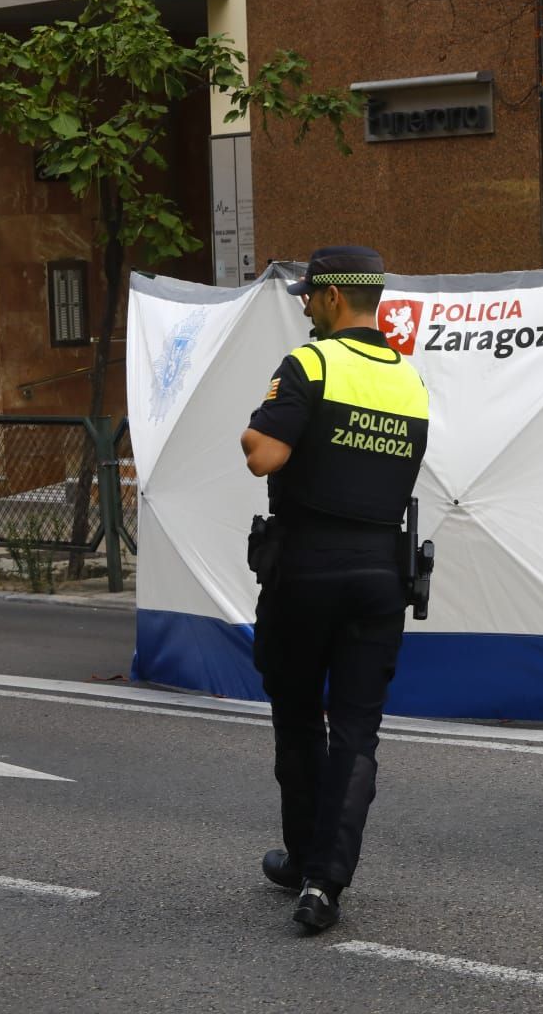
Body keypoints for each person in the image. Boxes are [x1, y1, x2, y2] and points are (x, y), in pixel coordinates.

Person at [239, 245, 429, 934]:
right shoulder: (409, 379)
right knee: (356, 731)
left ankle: (300, 858)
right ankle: (325, 883)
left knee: (297, 717)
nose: (305, 311)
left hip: (307, 570)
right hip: (380, 575)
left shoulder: (311, 364)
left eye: (309, 299)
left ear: (333, 298)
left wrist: (253, 429)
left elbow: (265, 454)